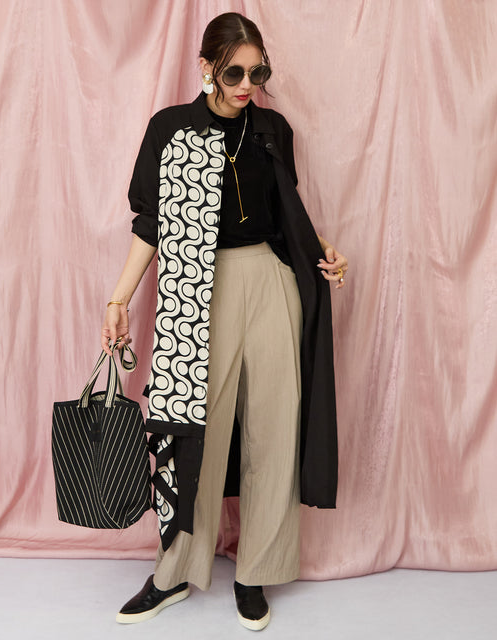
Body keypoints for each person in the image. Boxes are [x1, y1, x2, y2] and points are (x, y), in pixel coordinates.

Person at [101, 12, 348, 632]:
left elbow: (286, 210)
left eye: (257, 73)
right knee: (194, 432)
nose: (247, 86)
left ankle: (255, 573)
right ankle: (172, 573)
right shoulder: (171, 129)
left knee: (273, 427)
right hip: (197, 292)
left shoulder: (272, 129)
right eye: (234, 73)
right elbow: (150, 223)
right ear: (206, 67)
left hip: (269, 280)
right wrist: (118, 299)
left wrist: (324, 250)